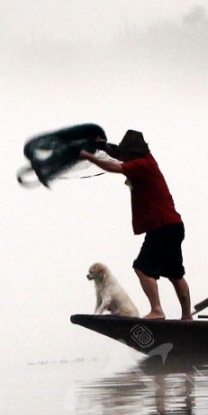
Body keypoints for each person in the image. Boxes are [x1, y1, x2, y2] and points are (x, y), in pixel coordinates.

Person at [80, 129, 192, 321]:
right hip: (173, 225)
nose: (124, 156)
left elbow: (114, 166)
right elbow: (117, 154)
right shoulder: (146, 159)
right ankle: (186, 316)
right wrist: (103, 146)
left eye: (126, 153)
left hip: (161, 226)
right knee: (175, 273)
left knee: (142, 267)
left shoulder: (141, 165)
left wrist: (88, 156)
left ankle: (157, 310)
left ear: (133, 153)